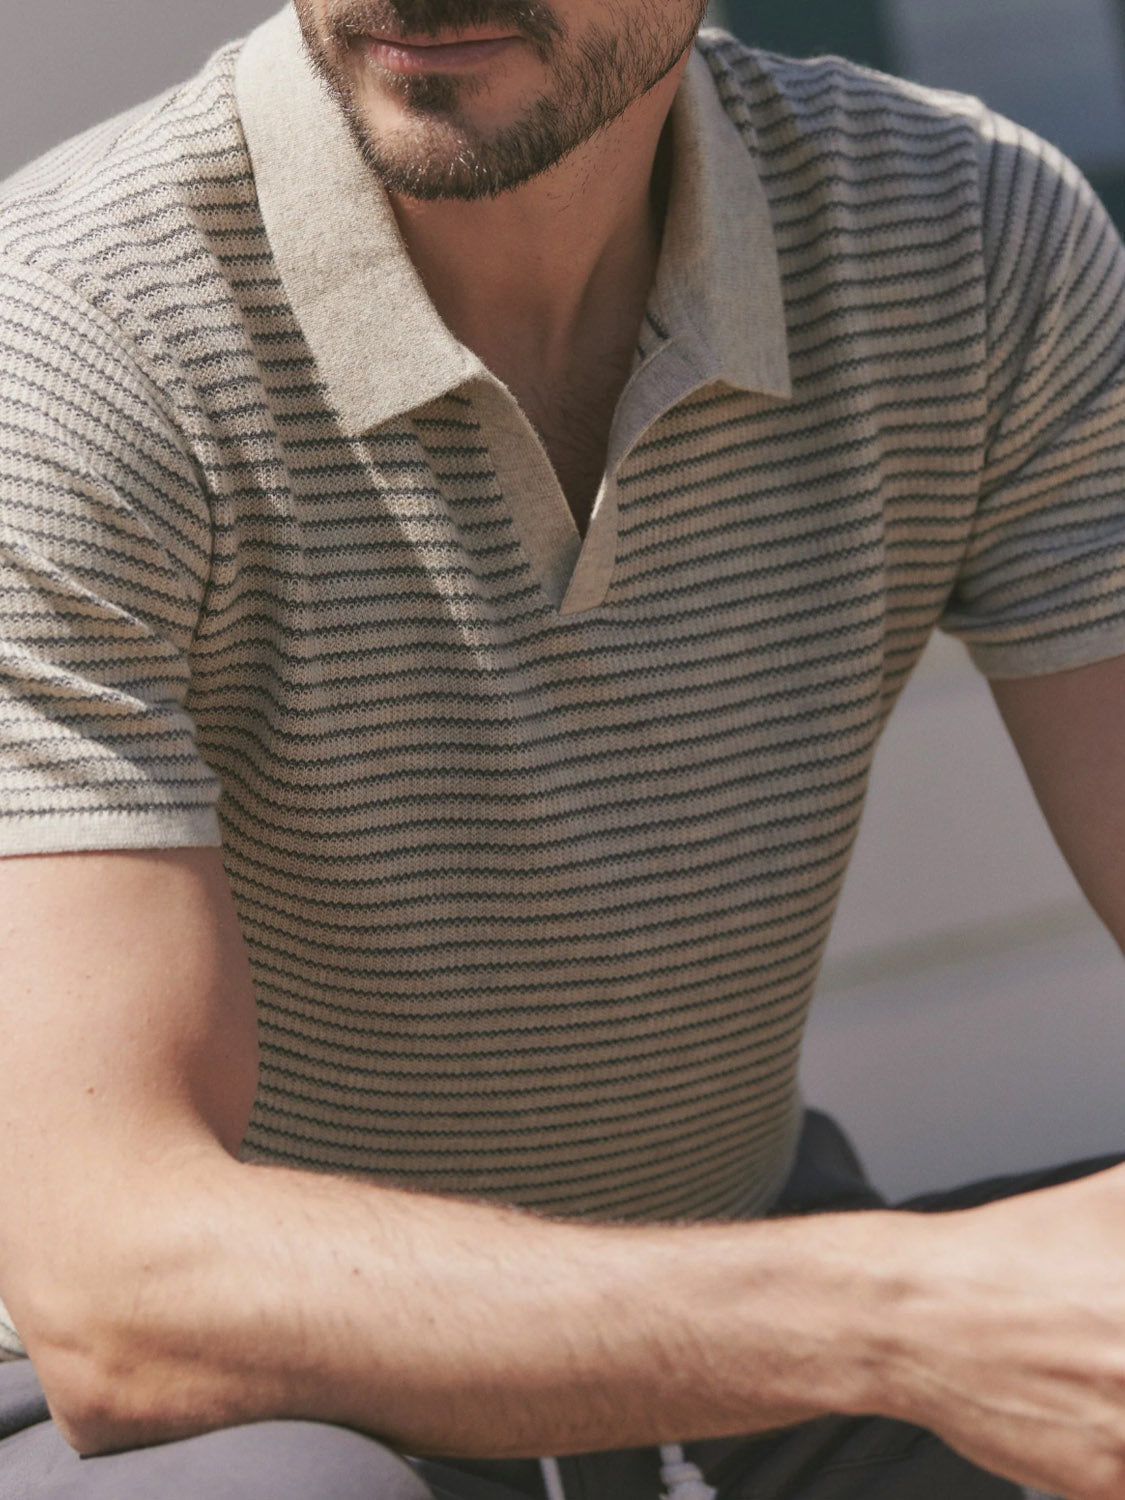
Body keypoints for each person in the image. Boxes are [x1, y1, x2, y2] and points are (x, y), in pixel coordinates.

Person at [0, 1, 1122, 1497]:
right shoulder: (65, 343)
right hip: (187, 1410)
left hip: (738, 1306)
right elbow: (118, 1297)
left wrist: (895, 1318)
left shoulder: (965, 235)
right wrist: (899, 1316)